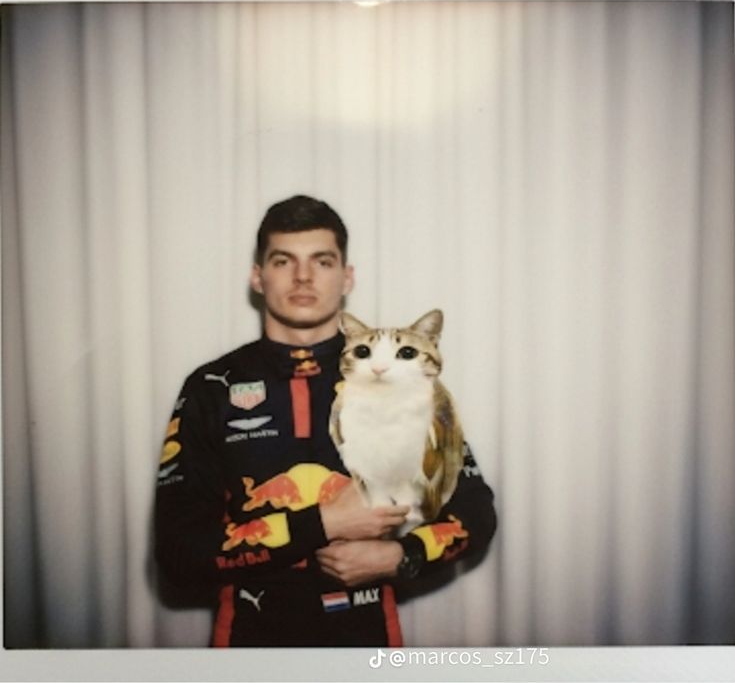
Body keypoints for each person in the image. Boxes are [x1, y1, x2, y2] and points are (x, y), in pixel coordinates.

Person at [154, 195, 497, 646]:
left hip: (368, 643)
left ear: (346, 277)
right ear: (258, 277)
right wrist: (325, 523)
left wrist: (401, 555)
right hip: (247, 645)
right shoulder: (211, 387)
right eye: (283, 261)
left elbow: (476, 512)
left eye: (322, 261)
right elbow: (178, 555)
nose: (303, 276)